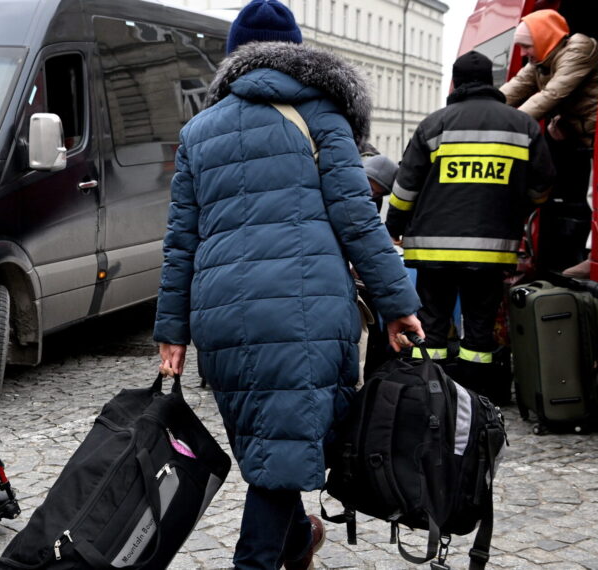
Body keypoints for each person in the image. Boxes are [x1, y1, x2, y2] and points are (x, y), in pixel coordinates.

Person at [153, 2, 423, 568]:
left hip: (222, 319)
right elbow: (357, 221)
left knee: (277, 444)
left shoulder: (199, 130)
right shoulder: (323, 116)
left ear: (234, 56)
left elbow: (181, 243)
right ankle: (257, 559)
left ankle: (300, 542)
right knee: (282, 458)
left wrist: (172, 334)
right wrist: (396, 304)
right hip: (304, 312)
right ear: (299, 54)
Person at [387, 51, 555, 405]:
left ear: (456, 82)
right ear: (491, 82)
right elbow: (542, 187)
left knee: (430, 328)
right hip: (491, 251)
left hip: (432, 251)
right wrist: (514, 208)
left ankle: (428, 396)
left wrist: (394, 225)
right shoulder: (522, 125)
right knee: (479, 330)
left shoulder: (434, 124)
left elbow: (405, 188)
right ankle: (476, 399)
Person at [500, 9, 598, 274]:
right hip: (583, 139)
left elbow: (551, 95)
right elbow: (509, 91)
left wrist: (503, 126)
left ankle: (596, 255)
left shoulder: (579, 50)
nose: (523, 53)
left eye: (526, 45)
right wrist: (479, 111)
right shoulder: (540, 62)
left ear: (545, 38)